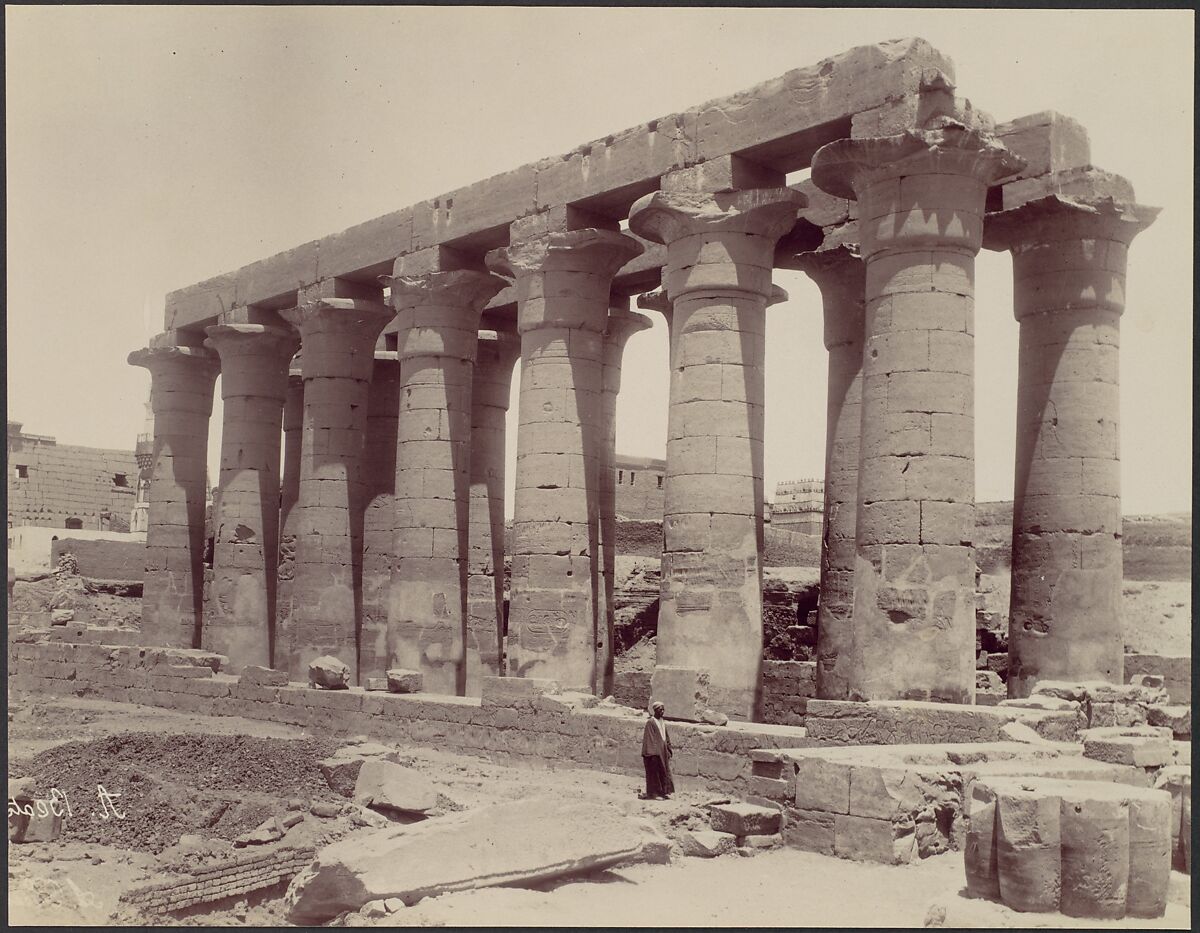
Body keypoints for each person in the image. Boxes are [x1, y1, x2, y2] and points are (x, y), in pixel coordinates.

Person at [640, 700, 674, 800]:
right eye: (660, 709)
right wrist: (654, 753)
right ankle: (654, 794)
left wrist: (668, 749)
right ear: (655, 710)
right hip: (654, 754)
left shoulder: (662, 722)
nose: (662, 711)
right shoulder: (650, 722)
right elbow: (649, 738)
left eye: (663, 709)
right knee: (654, 773)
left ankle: (663, 792)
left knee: (663, 771)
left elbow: (666, 737)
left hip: (662, 751)